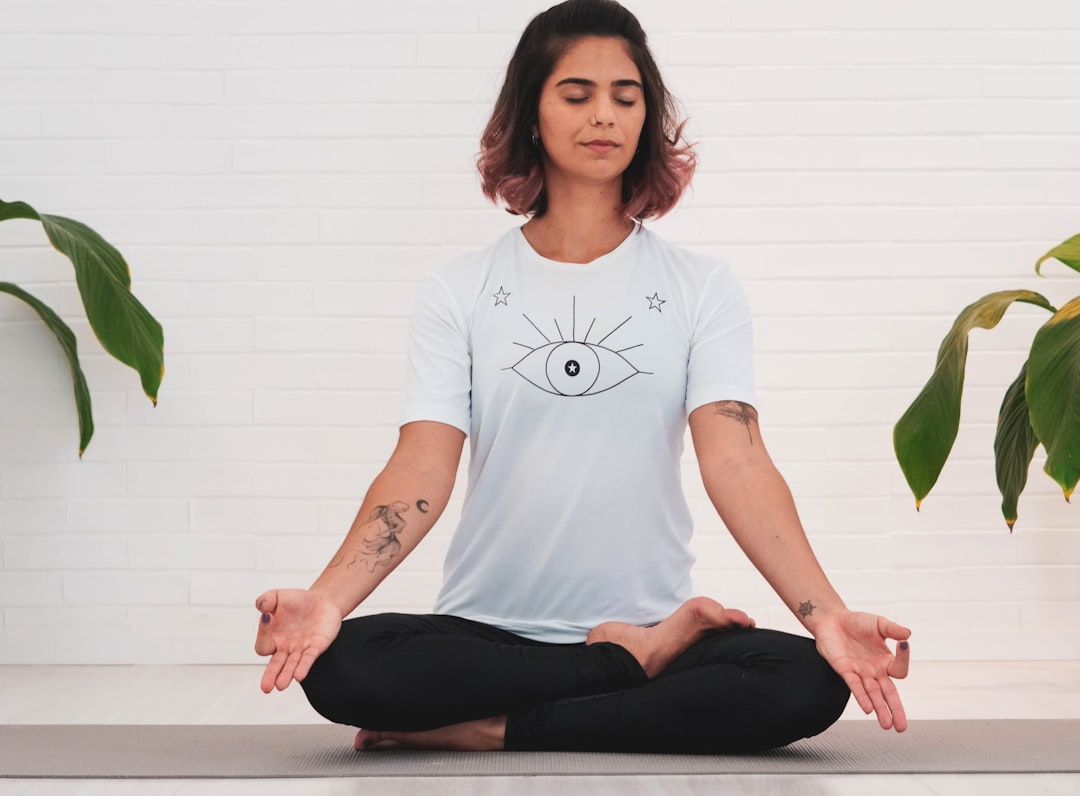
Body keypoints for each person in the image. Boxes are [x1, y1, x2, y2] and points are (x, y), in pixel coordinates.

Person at [254, 0, 911, 754]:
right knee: (341, 668)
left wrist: (824, 615)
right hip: (488, 633)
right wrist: (327, 600)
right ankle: (628, 664)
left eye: (626, 98)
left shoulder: (701, 286)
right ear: (532, 113)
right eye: (577, 95)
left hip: (649, 610)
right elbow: (419, 467)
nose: (605, 116)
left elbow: (738, 460)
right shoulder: (460, 288)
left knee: (806, 682)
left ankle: (494, 727)